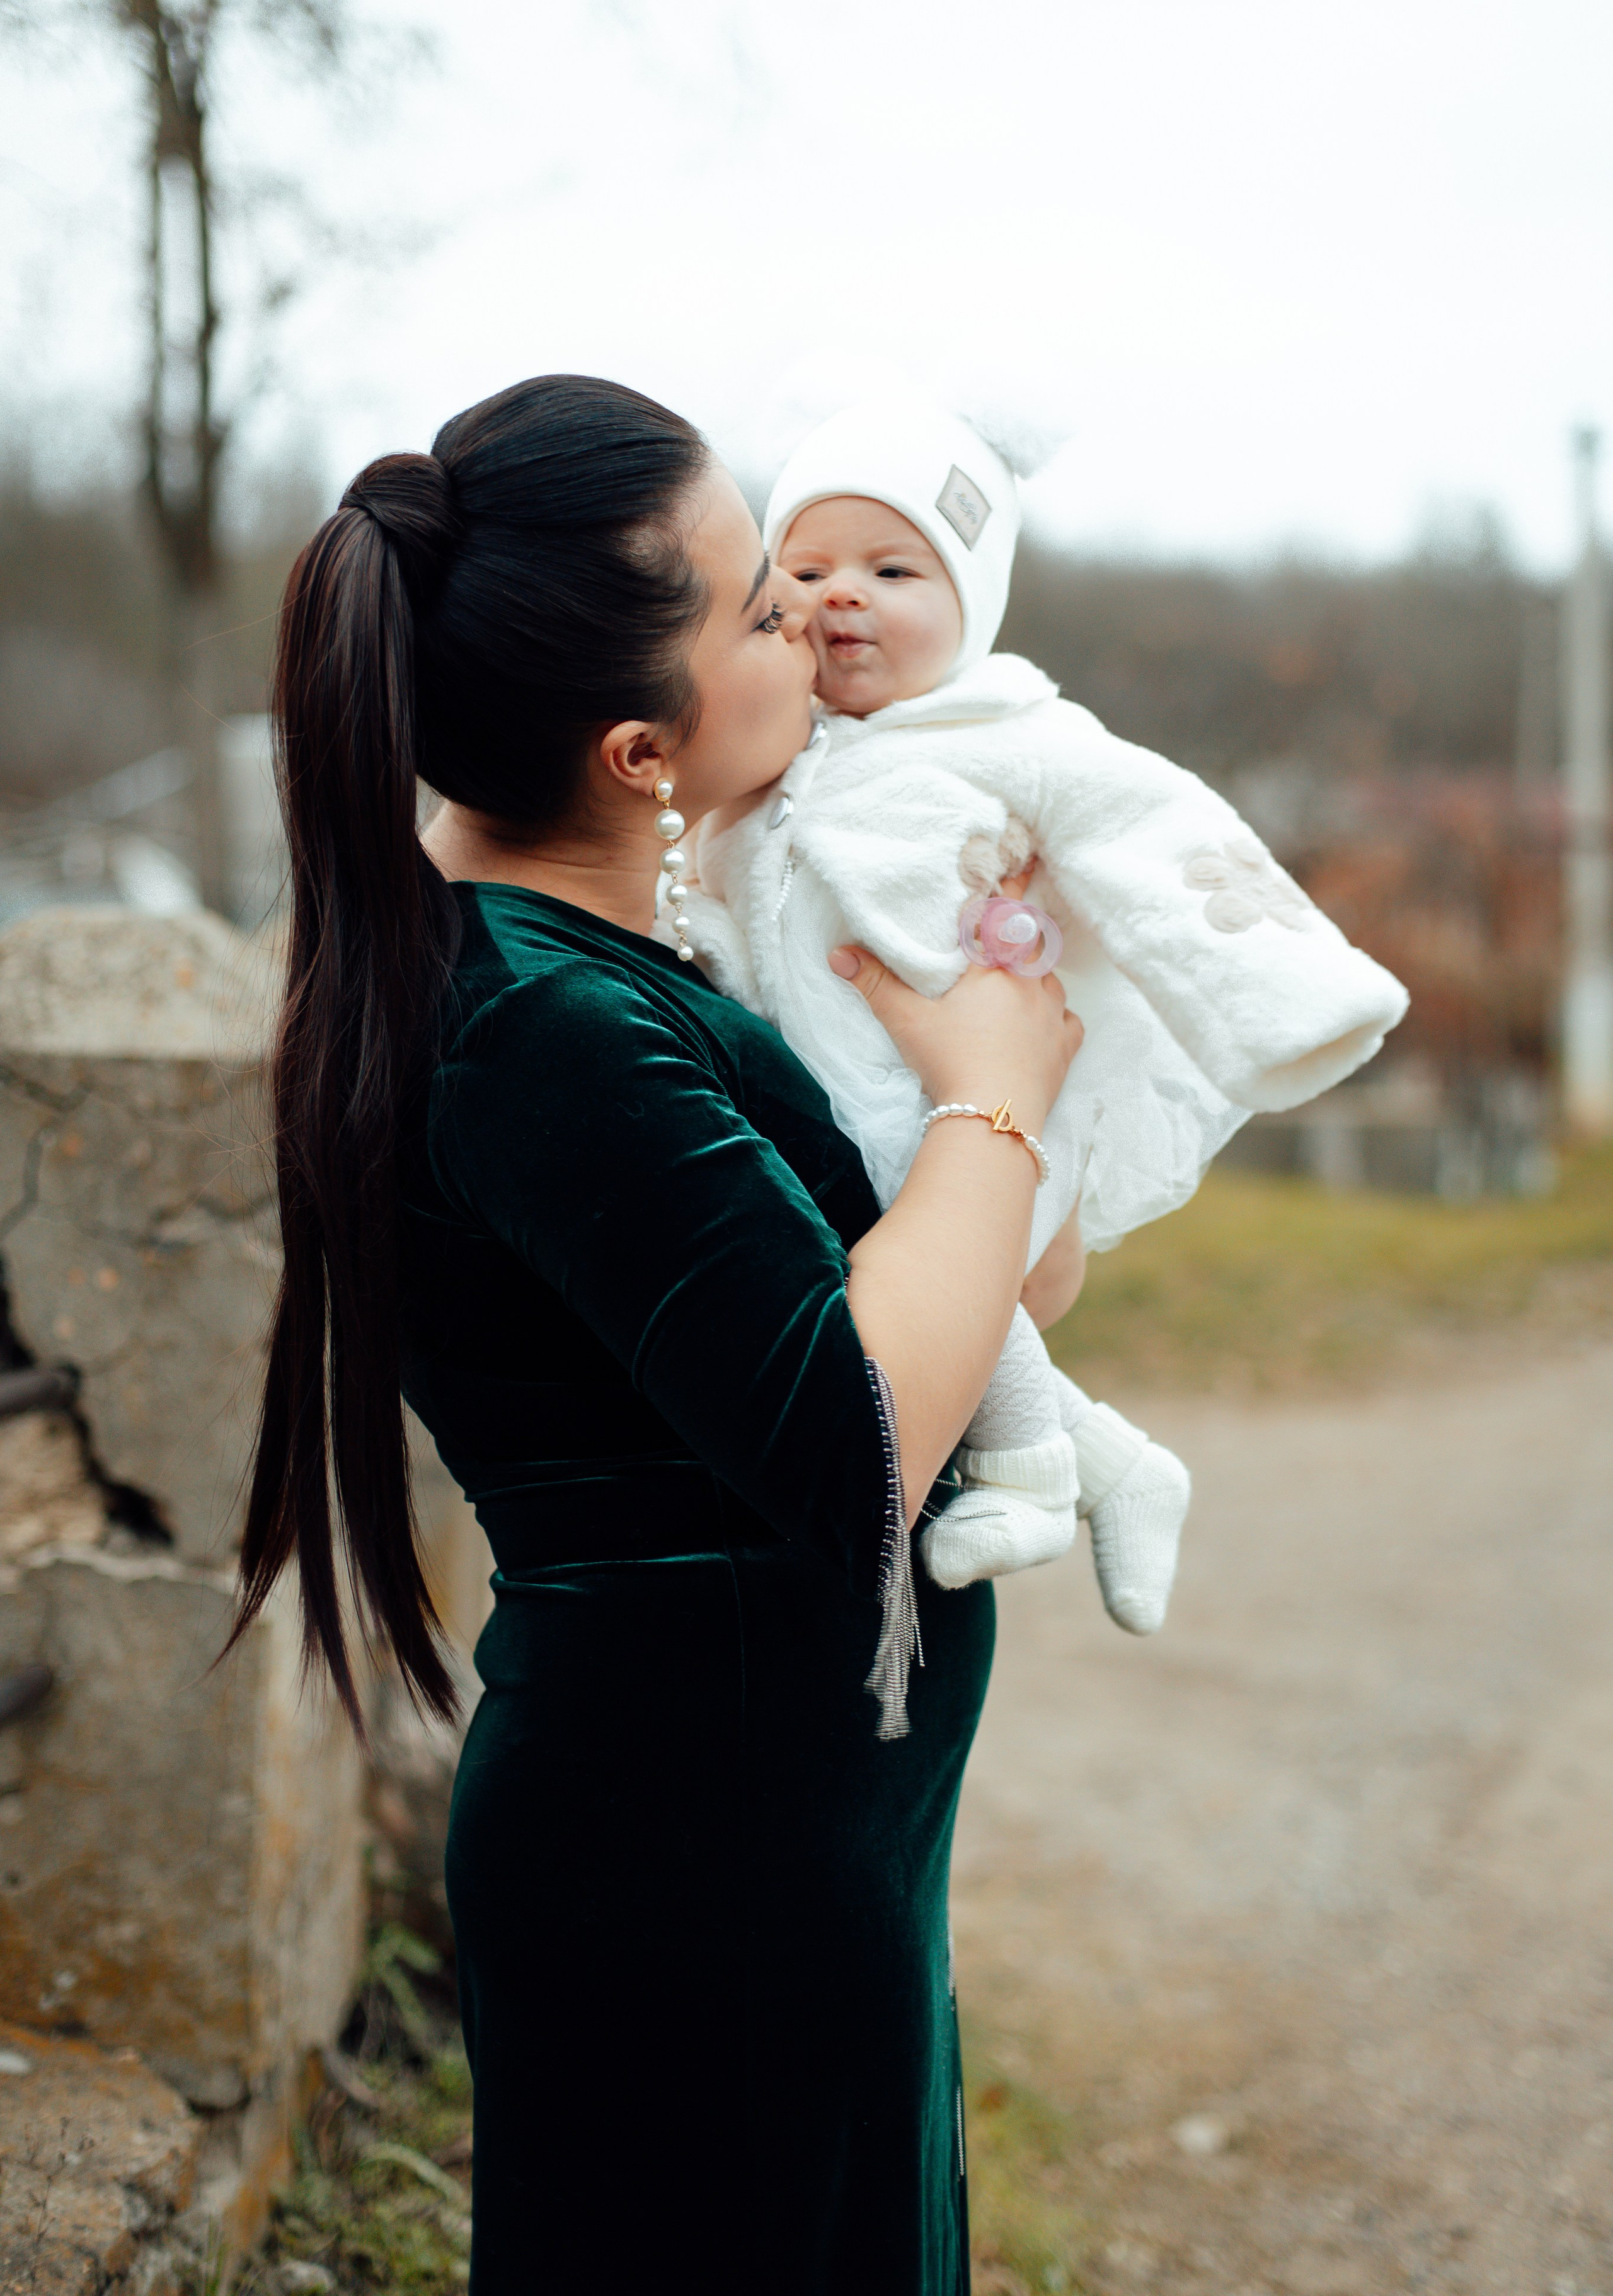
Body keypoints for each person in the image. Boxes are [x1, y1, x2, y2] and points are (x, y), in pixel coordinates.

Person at [228, 374, 1084, 2295]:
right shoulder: (547, 1029)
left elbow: (988, 1300)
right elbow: (864, 1433)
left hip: (777, 1849)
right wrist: (999, 1097)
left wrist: (984, 1102)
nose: (814, 618)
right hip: (707, 1882)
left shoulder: (589, 974)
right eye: (760, 608)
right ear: (640, 747)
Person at [677, 399, 1408, 1620]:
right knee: (869, 1268)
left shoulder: (1009, 734)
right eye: (803, 569)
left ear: (971, 605)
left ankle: (1024, 1466)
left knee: (927, 1237)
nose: (840, 594)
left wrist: (1292, 997)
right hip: (836, 1088)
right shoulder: (774, 750)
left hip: (971, 1079)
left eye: (890, 568)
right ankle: (1117, 1464)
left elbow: (1164, 840)